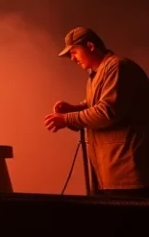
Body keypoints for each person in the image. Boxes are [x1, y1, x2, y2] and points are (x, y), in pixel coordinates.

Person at [44, 27, 149, 198]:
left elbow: (107, 112)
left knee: (131, 224)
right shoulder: (97, 74)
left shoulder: (118, 68)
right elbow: (97, 105)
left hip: (129, 177)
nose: (72, 59)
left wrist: (67, 119)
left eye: (74, 52)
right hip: (112, 175)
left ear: (90, 46)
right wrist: (75, 109)